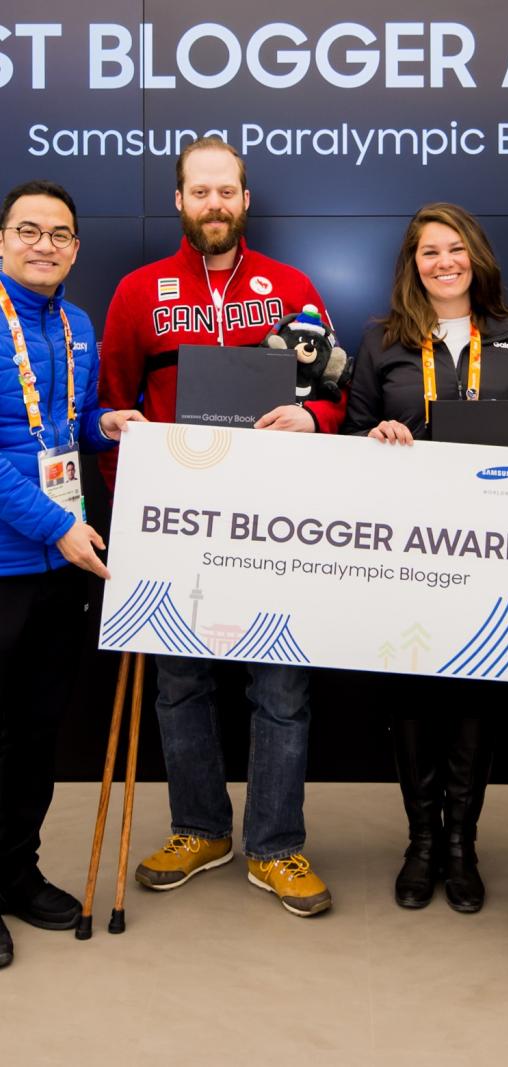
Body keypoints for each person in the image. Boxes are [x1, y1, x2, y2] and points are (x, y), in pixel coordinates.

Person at [98, 137, 345, 917]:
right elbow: (107, 406)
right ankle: (200, 827)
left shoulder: (290, 286)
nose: (213, 203)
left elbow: (335, 394)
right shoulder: (140, 291)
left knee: (281, 684)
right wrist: (121, 462)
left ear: (245, 199)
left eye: (226, 191)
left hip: (277, 522)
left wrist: (314, 415)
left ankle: (275, 845)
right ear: (179, 201)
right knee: (180, 682)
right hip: (173, 522)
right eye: (198, 191)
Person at [343, 202, 508, 912]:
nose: (443, 262)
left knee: (476, 689)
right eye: (428, 252)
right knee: (412, 690)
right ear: (411, 264)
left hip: (493, 547)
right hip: (406, 545)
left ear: (475, 256)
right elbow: (348, 442)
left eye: (455, 249)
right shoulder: (381, 339)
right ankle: (419, 843)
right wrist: (375, 435)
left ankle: (459, 846)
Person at [0, 180, 143, 968]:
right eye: (28, 230)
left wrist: (105, 423)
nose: (44, 244)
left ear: (76, 248)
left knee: (37, 731)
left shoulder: (77, 323)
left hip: (64, 565)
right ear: (3, 239)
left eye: (59, 234)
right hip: (15, 557)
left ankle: (15, 872)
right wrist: (59, 525)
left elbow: (62, 426)